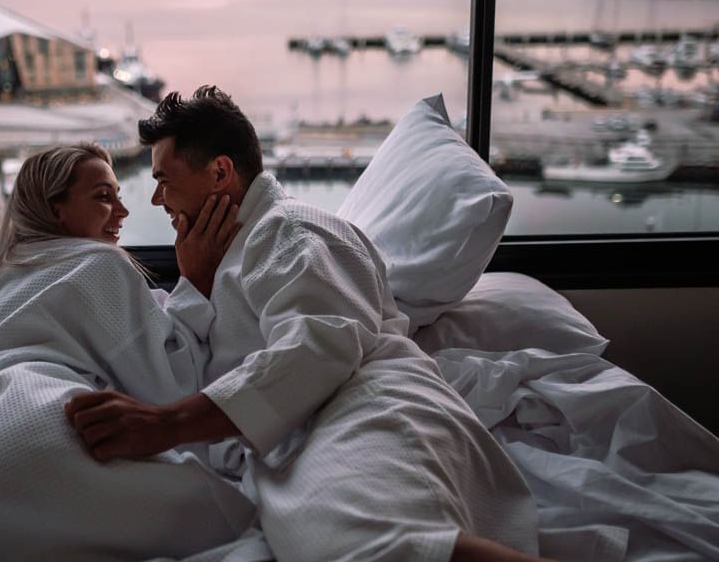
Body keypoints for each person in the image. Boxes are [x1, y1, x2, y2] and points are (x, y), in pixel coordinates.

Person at [66, 87, 551, 562]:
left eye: (164, 180)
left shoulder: (290, 228)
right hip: (303, 427)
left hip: (364, 402)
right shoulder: (233, 254)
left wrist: (167, 425)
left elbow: (321, 344)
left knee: (370, 544)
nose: (155, 200)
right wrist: (197, 282)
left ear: (219, 172)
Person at [0, 143, 264, 562]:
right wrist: (195, 281)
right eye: (103, 197)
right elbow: (173, 384)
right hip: (54, 429)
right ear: (55, 208)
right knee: (253, 522)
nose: (122, 211)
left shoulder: (3, 275)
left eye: (117, 194)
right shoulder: (97, 263)